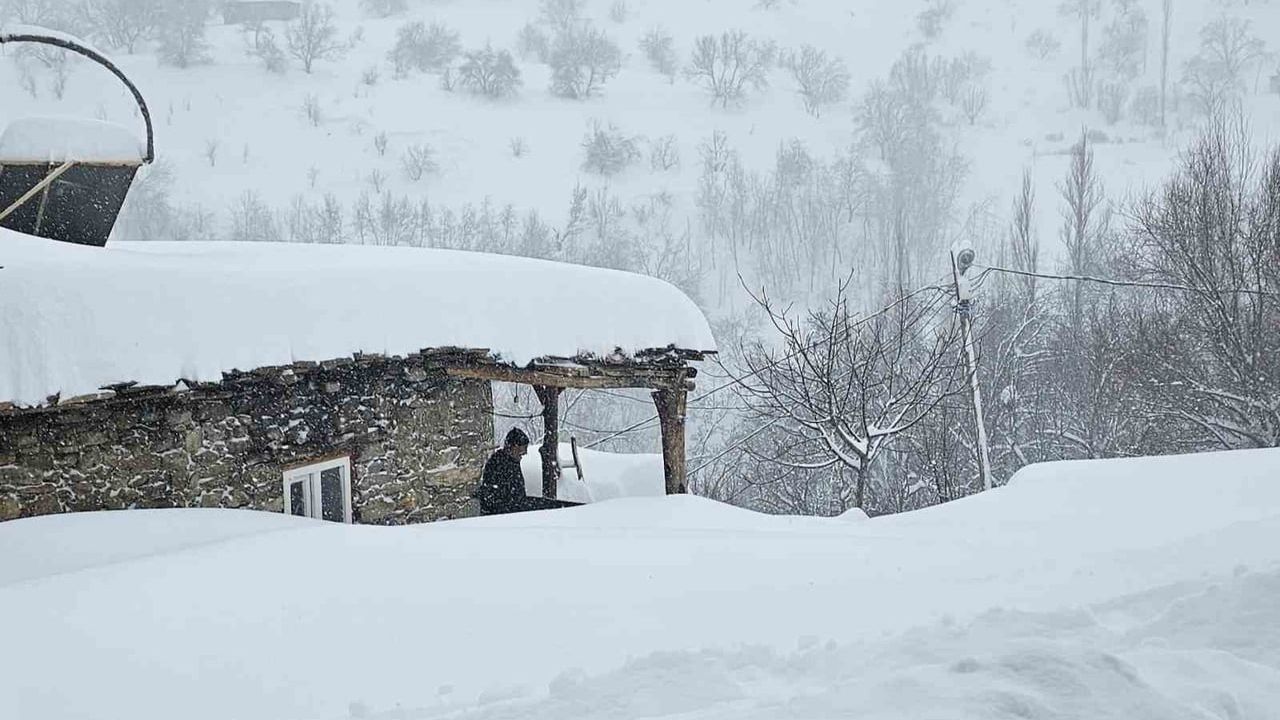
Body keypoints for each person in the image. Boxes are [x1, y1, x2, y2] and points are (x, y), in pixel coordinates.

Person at [474, 428, 531, 515]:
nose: (525, 453)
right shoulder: (497, 463)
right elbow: (496, 498)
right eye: (523, 448)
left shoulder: (513, 462)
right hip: (501, 517)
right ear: (514, 446)